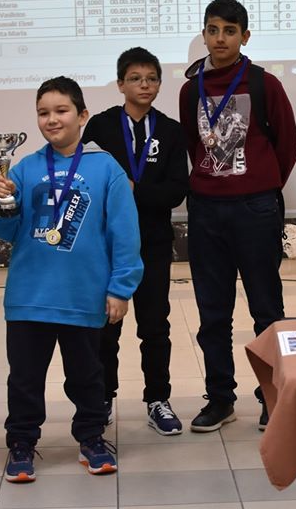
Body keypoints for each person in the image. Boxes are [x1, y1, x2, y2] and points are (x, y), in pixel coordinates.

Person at [0, 76, 143, 482]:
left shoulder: (105, 168)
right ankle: (21, 443)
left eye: (61, 110)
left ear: (82, 115)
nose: (52, 119)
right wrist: (2, 200)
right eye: (43, 113)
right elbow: (5, 229)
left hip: (83, 296)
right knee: (25, 379)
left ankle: (91, 437)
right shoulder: (25, 168)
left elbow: (124, 233)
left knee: (87, 376)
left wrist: (120, 288)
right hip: (29, 297)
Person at [178, 0, 296, 432]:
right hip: (206, 209)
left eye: (230, 31)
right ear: (204, 34)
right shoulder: (190, 90)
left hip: (255, 208)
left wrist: (260, 185)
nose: (220, 38)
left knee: (266, 309)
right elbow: (193, 143)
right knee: (213, 312)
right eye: (213, 30)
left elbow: (287, 145)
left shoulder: (265, 84)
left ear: (245, 36)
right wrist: (215, 182)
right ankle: (220, 398)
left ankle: (272, 395)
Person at [82, 47, 190, 435]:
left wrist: (134, 190)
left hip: (153, 242)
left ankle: (157, 398)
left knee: (154, 324)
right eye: (135, 78)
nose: (144, 85)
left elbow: (176, 190)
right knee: (105, 324)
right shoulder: (100, 126)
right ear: (120, 84)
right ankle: (102, 397)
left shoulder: (171, 131)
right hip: (107, 244)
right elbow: (87, 179)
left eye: (151, 78)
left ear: (159, 84)